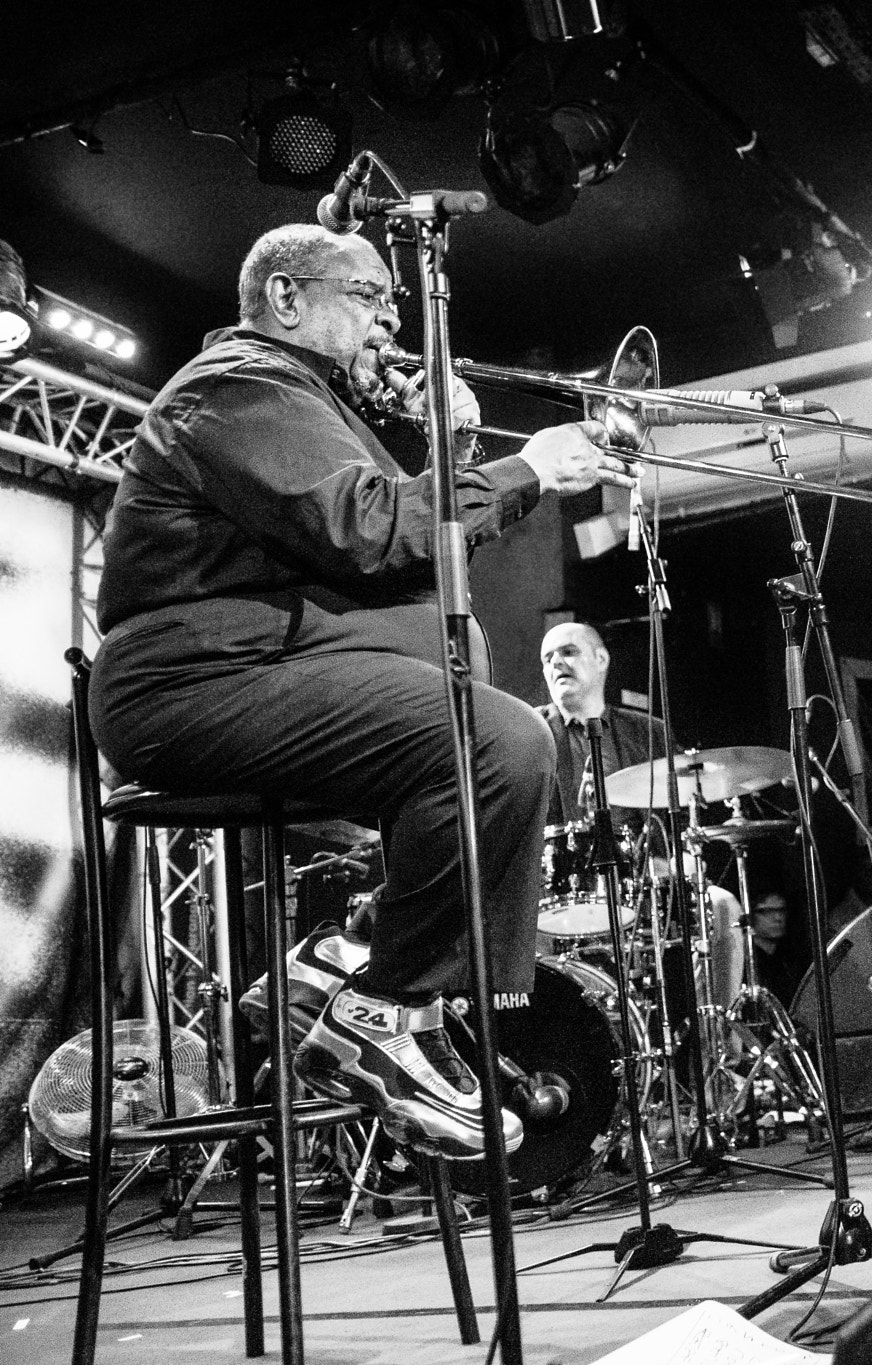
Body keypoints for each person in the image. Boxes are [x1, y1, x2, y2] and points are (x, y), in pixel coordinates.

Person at [87, 223, 632, 1161]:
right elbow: (375, 533)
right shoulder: (238, 385)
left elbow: (408, 563)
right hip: (193, 684)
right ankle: (384, 1006)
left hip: (263, 663)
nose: (388, 322)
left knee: (462, 669)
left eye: (391, 303)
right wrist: (528, 467)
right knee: (499, 741)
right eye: (369, 298)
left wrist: (455, 441)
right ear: (288, 298)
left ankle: (353, 960)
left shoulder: (299, 402)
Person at [536, 621, 669, 827]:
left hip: (639, 858)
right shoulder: (532, 731)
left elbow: (682, 808)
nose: (556, 662)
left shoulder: (650, 731)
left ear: (601, 659)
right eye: (547, 659)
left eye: (568, 652)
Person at [747, 891, 807, 1010]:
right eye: (766, 912)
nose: (778, 918)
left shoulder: (792, 959)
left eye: (781, 910)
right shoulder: (746, 963)